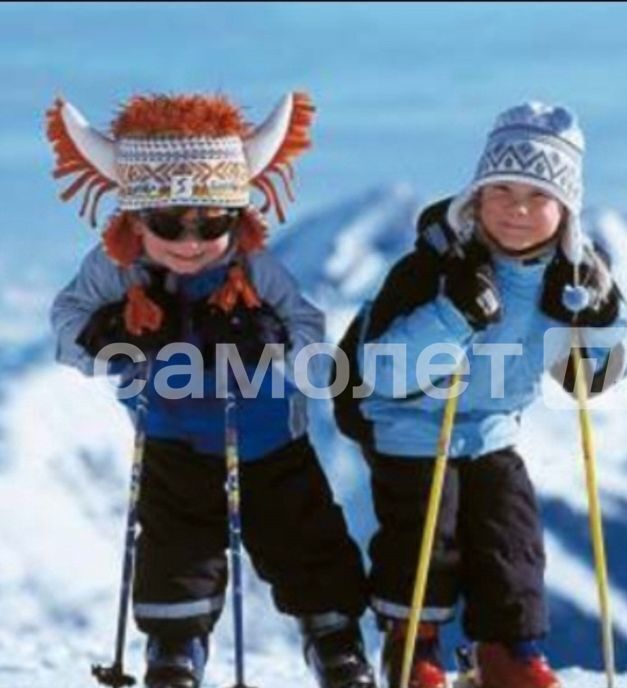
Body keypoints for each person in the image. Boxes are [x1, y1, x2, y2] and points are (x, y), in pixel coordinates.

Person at [46, 91, 374, 688]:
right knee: (175, 550)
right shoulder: (116, 269)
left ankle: (332, 637)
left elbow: (310, 334)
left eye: (214, 222)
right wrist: (111, 334)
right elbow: (67, 329)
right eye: (170, 223)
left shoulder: (253, 267)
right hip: (171, 439)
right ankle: (174, 647)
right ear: (135, 218)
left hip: (271, 438)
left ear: (238, 218)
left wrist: (269, 336)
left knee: (306, 541)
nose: (192, 241)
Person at [333, 102, 627, 688]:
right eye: (503, 190)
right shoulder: (433, 268)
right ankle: (411, 644)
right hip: (410, 422)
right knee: (426, 526)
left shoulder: (571, 280)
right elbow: (380, 372)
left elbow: (591, 378)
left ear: (565, 209)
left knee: (510, 529)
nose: (518, 209)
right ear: (477, 195)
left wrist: (602, 318)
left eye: (538, 196)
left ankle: (508, 651)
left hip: (493, 425)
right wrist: (454, 316)